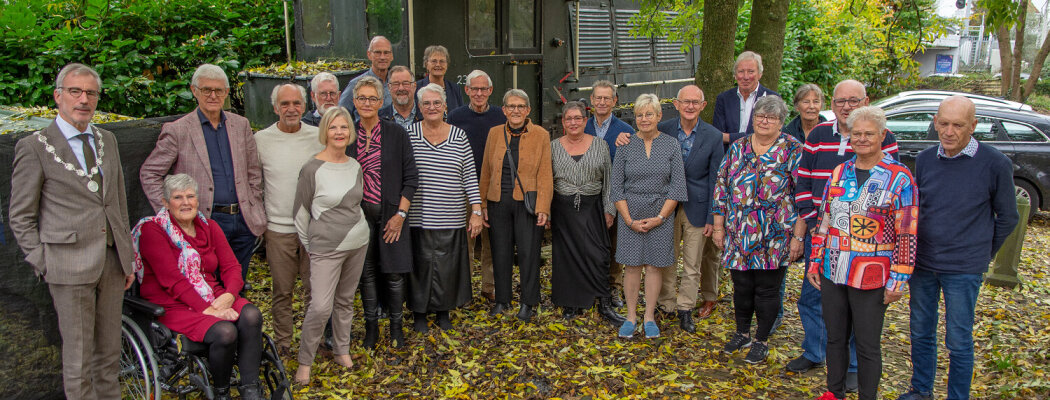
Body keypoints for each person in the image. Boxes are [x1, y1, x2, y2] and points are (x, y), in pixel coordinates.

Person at [9, 63, 135, 400]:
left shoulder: (107, 139)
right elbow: (20, 215)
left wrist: (127, 258)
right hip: (66, 266)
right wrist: (45, 261)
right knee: (78, 361)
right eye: (75, 92)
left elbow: (118, 202)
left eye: (90, 93)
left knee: (109, 354)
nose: (83, 100)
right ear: (58, 96)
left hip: (111, 263)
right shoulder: (35, 146)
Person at [897, 96, 1019, 400]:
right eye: (944, 123)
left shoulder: (995, 164)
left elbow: (1008, 216)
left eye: (958, 125)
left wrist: (981, 252)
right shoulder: (924, 159)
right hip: (923, 263)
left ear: (973, 126)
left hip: (964, 268)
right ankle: (921, 389)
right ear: (936, 122)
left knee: (958, 340)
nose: (949, 131)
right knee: (921, 332)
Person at [789, 80, 897, 387]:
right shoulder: (820, 135)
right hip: (823, 236)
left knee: (856, 306)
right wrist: (813, 226)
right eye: (840, 102)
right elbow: (803, 184)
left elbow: (894, 194)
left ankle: (851, 365)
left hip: (866, 246)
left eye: (853, 101)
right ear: (832, 104)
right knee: (813, 298)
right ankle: (815, 351)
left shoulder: (881, 137)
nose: (846, 107)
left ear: (865, 101)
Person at [807, 107, 917, 400]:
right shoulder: (840, 172)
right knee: (835, 338)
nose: (862, 139)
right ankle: (834, 393)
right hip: (834, 268)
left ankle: (868, 396)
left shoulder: (899, 177)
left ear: (882, 136)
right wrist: (815, 260)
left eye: (869, 134)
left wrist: (899, 279)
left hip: (873, 274)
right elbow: (825, 220)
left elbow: (907, 231)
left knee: (868, 345)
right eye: (857, 134)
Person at [133, 174, 264, 400]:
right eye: (178, 197)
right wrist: (210, 310)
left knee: (251, 315)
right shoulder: (153, 231)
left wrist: (230, 296)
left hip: (212, 294)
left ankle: (250, 389)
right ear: (165, 202)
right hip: (172, 303)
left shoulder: (209, 226)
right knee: (225, 331)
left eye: (190, 196)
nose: (186, 202)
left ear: (197, 199)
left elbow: (232, 267)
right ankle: (221, 392)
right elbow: (171, 279)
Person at [140, 63, 265, 287]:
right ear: (194, 91)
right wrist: (171, 211)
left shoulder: (241, 125)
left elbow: (253, 171)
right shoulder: (179, 129)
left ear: (227, 92)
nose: (213, 95)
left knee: (236, 284)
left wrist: (254, 203)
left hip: (243, 221)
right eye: (206, 90)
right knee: (207, 288)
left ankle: (240, 321)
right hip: (204, 222)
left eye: (218, 90)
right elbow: (150, 173)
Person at [713, 95, 804, 364]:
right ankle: (742, 333)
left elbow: (804, 196)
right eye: (759, 117)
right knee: (741, 287)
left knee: (766, 289)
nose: (764, 121)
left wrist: (798, 236)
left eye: (771, 118)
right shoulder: (739, 147)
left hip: (775, 234)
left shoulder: (793, 149)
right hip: (738, 231)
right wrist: (718, 227)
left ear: (781, 122)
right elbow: (721, 186)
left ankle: (762, 339)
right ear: (752, 119)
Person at [291, 107, 370, 384]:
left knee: (345, 301)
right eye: (334, 127)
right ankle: (305, 361)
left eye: (344, 127)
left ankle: (341, 350)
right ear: (325, 131)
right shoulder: (312, 168)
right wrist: (312, 245)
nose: (339, 132)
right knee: (321, 306)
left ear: (350, 132)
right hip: (324, 247)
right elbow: (300, 214)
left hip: (358, 242)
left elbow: (356, 204)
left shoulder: (355, 165)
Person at [406, 84, 484, 332]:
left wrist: (476, 211)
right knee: (420, 267)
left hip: (450, 216)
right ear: (419, 108)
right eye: (426, 103)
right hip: (418, 216)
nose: (432, 107)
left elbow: (470, 176)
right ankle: (419, 313)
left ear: (445, 106)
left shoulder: (459, 136)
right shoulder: (408, 134)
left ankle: (443, 312)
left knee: (447, 267)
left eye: (436, 103)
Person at [348, 75, 418, 349]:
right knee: (366, 274)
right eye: (362, 98)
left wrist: (400, 216)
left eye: (372, 98)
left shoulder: (396, 133)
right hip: (358, 217)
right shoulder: (347, 133)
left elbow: (411, 178)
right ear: (354, 102)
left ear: (381, 102)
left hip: (392, 214)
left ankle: (397, 329)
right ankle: (371, 329)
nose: (367, 103)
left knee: (393, 273)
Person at [610, 93, 688, 339]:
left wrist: (660, 218)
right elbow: (616, 188)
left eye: (649, 114)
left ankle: (649, 317)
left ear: (659, 116)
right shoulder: (624, 145)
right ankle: (631, 317)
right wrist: (628, 219)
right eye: (640, 115)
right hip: (629, 214)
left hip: (660, 214)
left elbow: (677, 187)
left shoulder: (671, 144)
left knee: (654, 267)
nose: (644, 119)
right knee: (632, 267)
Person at [254, 83, 323, 355]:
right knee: (282, 291)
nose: (291, 109)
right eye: (285, 104)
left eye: (296, 103)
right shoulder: (261, 140)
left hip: (313, 228)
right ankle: (283, 343)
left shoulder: (318, 136)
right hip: (278, 229)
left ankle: (311, 343)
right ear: (275, 108)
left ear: (304, 106)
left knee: (313, 290)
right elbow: (254, 182)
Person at [479, 89, 553, 322]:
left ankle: (528, 302)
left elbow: (545, 173)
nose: (516, 110)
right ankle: (502, 299)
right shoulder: (494, 133)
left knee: (528, 253)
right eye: (511, 106)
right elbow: (486, 170)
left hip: (527, 203)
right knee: (500, 252)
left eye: (521, 106)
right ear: (504, 110)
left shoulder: (541, 135)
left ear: (528, 110)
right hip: (498, 200)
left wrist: (543, 206)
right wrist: (481, 204)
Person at [549, 101, 625, 325]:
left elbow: (609, 181)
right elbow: (546, 181)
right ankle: (571, 302)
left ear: (585, 121)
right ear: (563, 122)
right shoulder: (553, 146)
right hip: (563, 209)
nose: (573, 122)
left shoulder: (600, 145)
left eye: (577, 118)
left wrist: (609, 210)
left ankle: (603, 302)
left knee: (599, 254)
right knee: (567, 256)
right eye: (568, 118)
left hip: (593, 207)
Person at [656, 85, 724, 331]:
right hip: (666, 207)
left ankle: (686, 308)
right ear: (676, 104)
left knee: (693, 262)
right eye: (686, 101)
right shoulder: (662, 130)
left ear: (703, 106)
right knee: (666, 258)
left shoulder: (713, 136)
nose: (690, 106)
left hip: (698, 207)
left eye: (696, 102)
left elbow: (717, 179)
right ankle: (666, 304)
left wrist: (712, 217)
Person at [447, 70, 506, 302]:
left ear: (490, 91)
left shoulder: (501, 116)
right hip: (465, 187)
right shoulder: (455, 117)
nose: (479, 93)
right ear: (467, 91)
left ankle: (489, 287)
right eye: (475, 89)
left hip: (494, 186)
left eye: (483, 89)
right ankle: (464, 289)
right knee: (466, 241)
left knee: (493, 241)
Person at [585, 80, 634, 308]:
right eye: (598, 98)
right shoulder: (581, 127)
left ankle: (613, 288)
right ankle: (590, 286)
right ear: (591, 101)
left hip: (616, 196)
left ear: (615, 101)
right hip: (587, 196)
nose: (602, 102)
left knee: (615, 244)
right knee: (588, 243)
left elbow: (632, 169)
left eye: (607, 98)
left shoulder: (626, 131)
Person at [712, 51, 780, 146]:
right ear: (735, 75)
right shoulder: (723, 99)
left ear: (760, 74)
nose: (745, 77)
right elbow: (718, 136)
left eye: (751, 71)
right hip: (730, 156)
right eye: (741, 72)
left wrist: (730, 137)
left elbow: (772, 134)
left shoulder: (772, 99)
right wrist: (752, 136)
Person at [338, 36, 394, 117]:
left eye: (386, 53)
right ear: (369, 54)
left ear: (391, 56)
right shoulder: (355, 84)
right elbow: (341, 114)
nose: (382, 57)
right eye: (378, 53)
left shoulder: (397, 84)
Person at [416, 45, 465, 111]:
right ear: (426, 64)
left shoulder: (455, 89)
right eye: (434, 61)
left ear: (447, 65)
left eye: (442, 61)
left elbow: (460, 113)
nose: (438, 65)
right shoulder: (417, 88)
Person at [379, 66, 423, 131]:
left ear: (414, 86)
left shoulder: (426, 114)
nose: (401, 88)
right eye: (396, 84)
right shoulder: (379, 118)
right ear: (389, 87)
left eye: (406, 83)